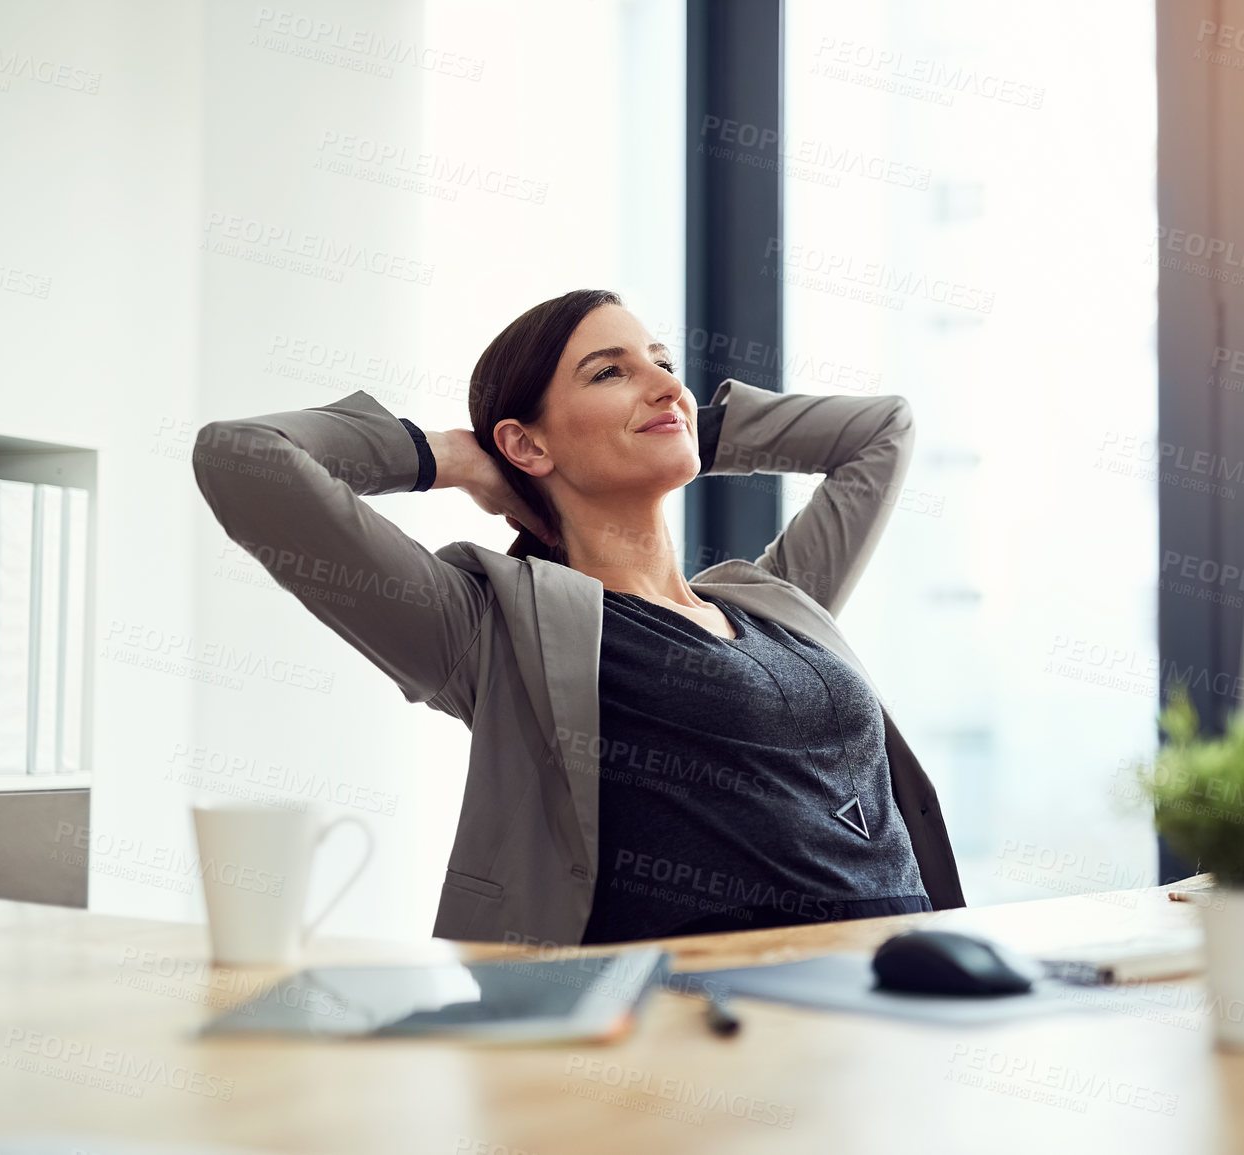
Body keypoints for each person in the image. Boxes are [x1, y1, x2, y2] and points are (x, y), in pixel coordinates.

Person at [193, 288, 963, 945]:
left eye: (663, 363)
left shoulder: (776, 602)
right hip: (701, 1039)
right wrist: (452, 457)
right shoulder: (494, 626)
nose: (663, 382)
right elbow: (241, 457)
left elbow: (880, 430)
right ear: (524, 442)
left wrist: (679, 419)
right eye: (609, 372)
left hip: (902, 992)